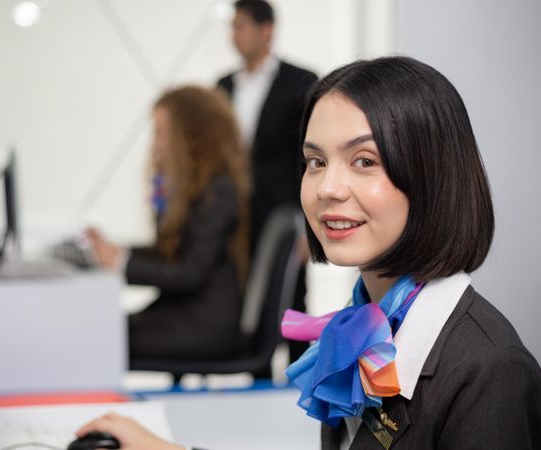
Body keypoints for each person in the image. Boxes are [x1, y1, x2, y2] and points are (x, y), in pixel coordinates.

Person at [74, 57, 541, 450]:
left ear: (433, 178)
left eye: (364, 161)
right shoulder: (363, 322)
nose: (327, 188)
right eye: (316, 161)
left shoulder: (490, 373)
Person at [87, 85, 250, 361]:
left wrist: (121, 263)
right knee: (103, 328)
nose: (156, 144)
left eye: (162, 134)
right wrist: (119, 253)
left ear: (190, 136)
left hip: (203, 324)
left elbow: (190, 273)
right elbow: (172, 252)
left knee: (103, 335)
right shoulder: (195, 186)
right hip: (183, 311)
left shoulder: (217, 191)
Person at [217, 0, 318, 364]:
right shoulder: (224, 86)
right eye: (232, 27)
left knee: (294, 296)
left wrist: (309, 225)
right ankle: (253, 373)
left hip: (283, 212)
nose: (234, 35)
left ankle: (300, 375)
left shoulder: (301, 81)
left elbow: (311, 160)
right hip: (235, 217)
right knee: (242, 294)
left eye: (240, 26)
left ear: (266, 30)